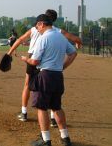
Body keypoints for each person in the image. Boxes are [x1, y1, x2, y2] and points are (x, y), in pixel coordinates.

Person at [7, 9, 82, 126]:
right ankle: (53, 119)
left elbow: (21, 39)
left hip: (34, 58)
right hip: (52, 64)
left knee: (27, 85)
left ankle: (24, 113)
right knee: (51, 90)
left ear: (43, 21)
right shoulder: (58, 31)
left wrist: (9, 52)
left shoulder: (35, 29)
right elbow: (76, 39)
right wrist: (78, 43)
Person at [20, 14, 77, 146]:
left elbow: (35, 61)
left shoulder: (43, 38)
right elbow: (73, 53)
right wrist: (63, 66)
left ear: (41, 24)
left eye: (37, 26)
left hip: (45, 75)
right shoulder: (61, 37)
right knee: (56, 107)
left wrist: (25, 59)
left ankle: (46, 140)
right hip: (58, 76)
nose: (37, 29)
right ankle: (65, 138)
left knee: (42, 108)